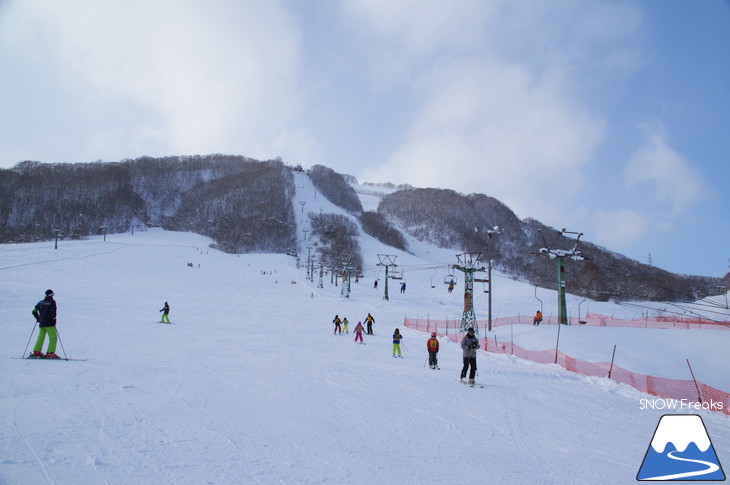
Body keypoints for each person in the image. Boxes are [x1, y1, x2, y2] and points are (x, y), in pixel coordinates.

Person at [30, 289, 59, 358]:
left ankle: (36, 352)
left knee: (41, 337)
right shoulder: (52, 302)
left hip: (42, 323)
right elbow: (53, 312)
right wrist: (54, 319)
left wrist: (38, 318)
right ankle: (50, 353)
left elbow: (34, 311)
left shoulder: (40, 302)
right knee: (53, 337)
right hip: (49, 323)